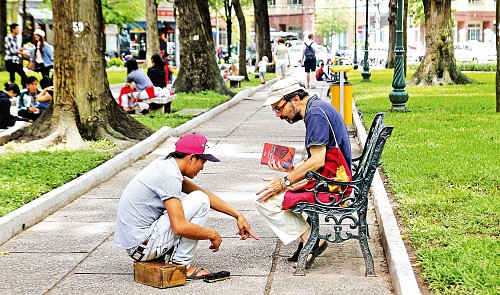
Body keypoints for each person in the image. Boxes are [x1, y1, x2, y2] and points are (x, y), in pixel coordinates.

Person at [114, 133, 258, 279]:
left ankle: (171, 257)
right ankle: (182, 264)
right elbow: (179, 226)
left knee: (200, 197)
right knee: (200, 200)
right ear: (191, 158)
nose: (202, 168)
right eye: (203, 162)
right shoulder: (169, 176)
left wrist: (237, 214)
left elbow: (204, 193)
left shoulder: (166, 165)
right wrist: (212, 234)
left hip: (140, 244)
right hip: (142, 248)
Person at [255, 78, 352, 269]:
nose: (278, 114)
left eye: (279, 108)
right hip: (334, 176)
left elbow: (317, 161)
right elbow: (319, 159)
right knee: (274, 194)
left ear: (296, 99)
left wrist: (284, 181)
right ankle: (308, 238)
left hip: (334, 184)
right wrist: (291, 170)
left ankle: (311, 240)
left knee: (266, 200)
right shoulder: (317, 107)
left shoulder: (315, 114)